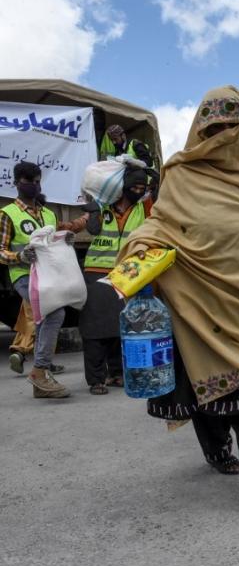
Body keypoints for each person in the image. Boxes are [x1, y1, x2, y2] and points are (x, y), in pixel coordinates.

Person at [119, 86, 239, 515]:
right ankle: (216, 452)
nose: (221, 136)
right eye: (212, 129)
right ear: (199, 130)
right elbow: (160, 225)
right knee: (205, 395)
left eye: (231, 127)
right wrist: (139, 249)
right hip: (195, 303)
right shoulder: (180, 174)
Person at [0, 162, 87, 398]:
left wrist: (65, 238)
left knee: (43, 319)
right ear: (17, 183)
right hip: (24, 276)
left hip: (49, 274)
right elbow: (1, 250)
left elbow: (53, 241)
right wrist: (19, 256)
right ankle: (39, 371)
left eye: (38, 181)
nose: (34, 185)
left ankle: (41, 380)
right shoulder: (8, 214)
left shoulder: (48, 213)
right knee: (54, 313)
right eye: (29, 181)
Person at [79, 162, 156, 394]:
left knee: (120, 326)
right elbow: (92, 229)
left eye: (142, 188)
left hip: (127, 274)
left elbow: (161, 205)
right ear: (123, 187)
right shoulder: (101, 206)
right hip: (96, 272)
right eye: (135, 188)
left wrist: (156, 178)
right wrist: (93, 211)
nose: (139, 192)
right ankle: (96, 379)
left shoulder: (144, 208)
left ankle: (116, 373)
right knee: (95, 329)